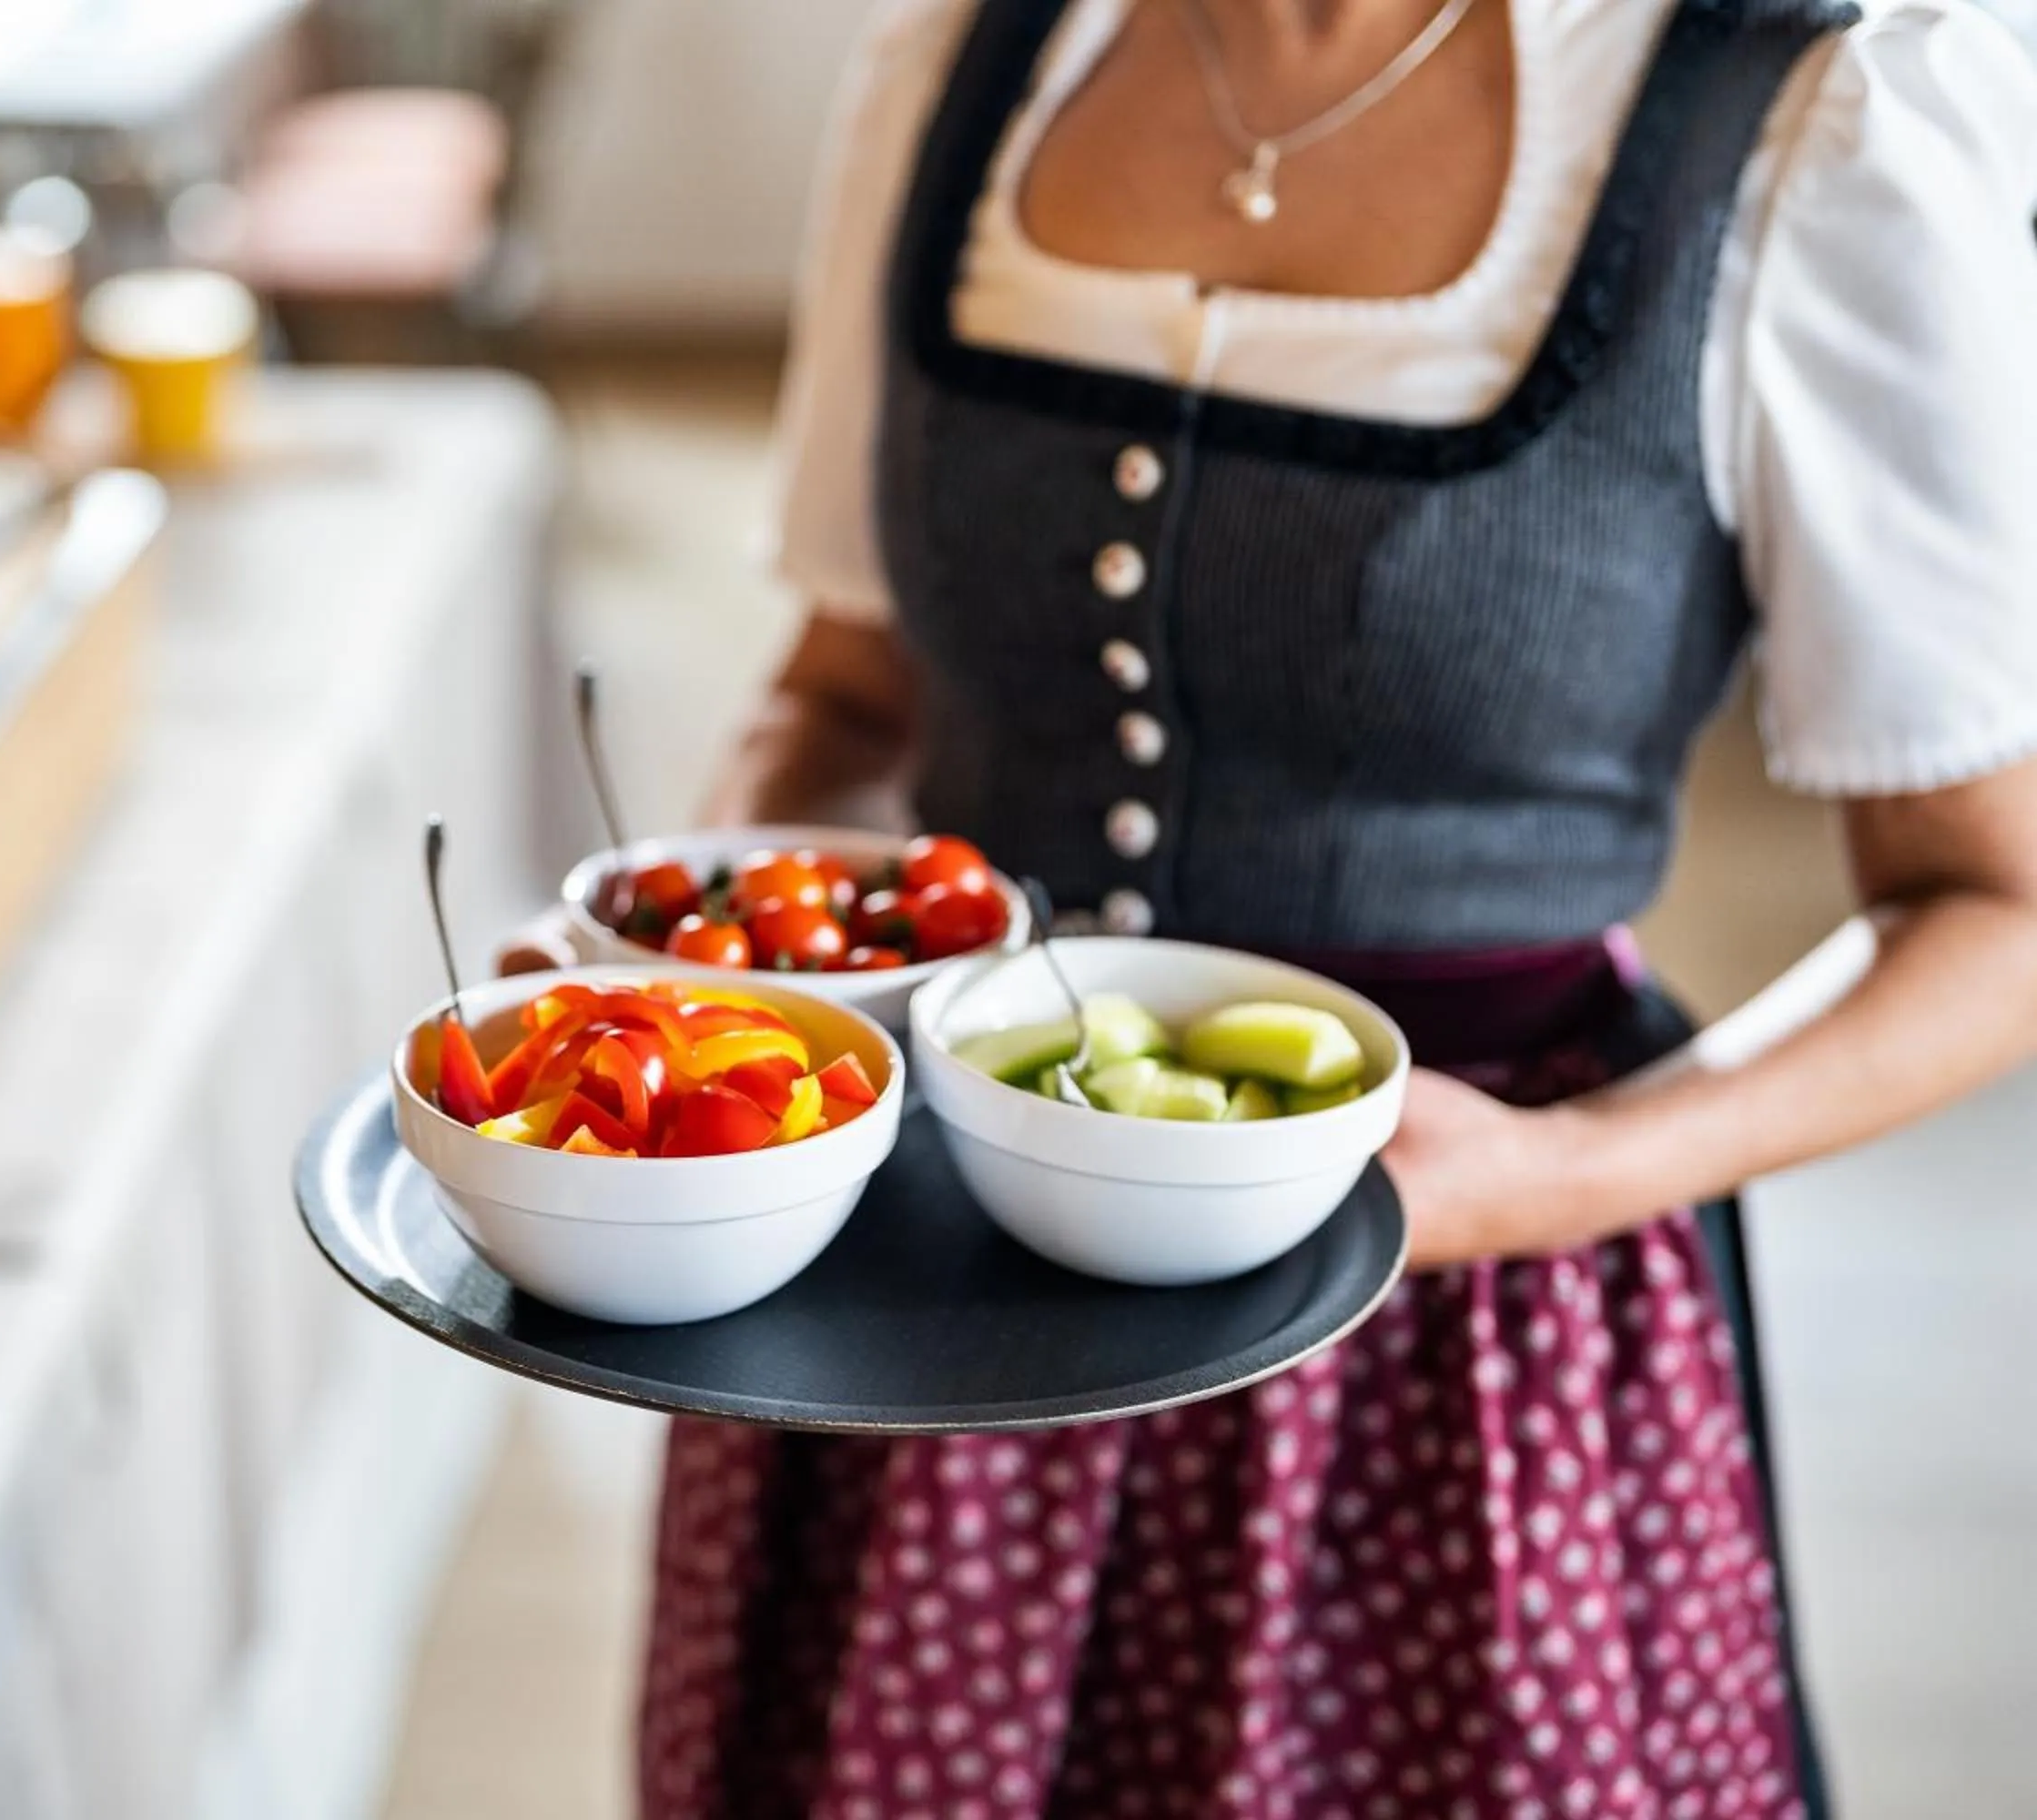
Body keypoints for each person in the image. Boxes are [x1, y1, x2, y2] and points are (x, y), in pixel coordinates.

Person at [631, 1, 2037, 1815]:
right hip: (925, 1312)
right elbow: (839, 695)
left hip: (1453, 1346)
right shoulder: (966, 58)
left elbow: (1994, 908)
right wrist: (691, 973)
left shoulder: (1800, 118)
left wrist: (1574, 1174)